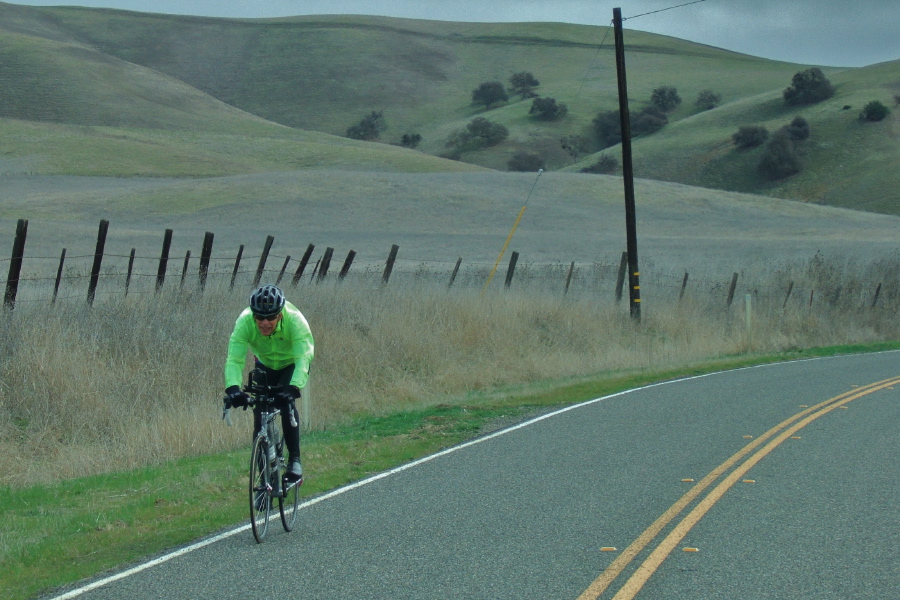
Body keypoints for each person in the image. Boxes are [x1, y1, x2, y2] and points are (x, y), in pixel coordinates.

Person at [223, 284, 314, 485]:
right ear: (253, 315)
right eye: (259, 318)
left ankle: (295, 462)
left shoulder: (295, 321)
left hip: (290, 365)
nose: (264, 323)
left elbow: (304, 357)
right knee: (260, 412)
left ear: (280, 315)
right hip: (264, 364)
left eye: (270, 318)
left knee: (285, 404)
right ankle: (264, 480)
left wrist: (293, 388)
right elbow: (234, 359)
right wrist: (233, 389)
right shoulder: (245, 321)